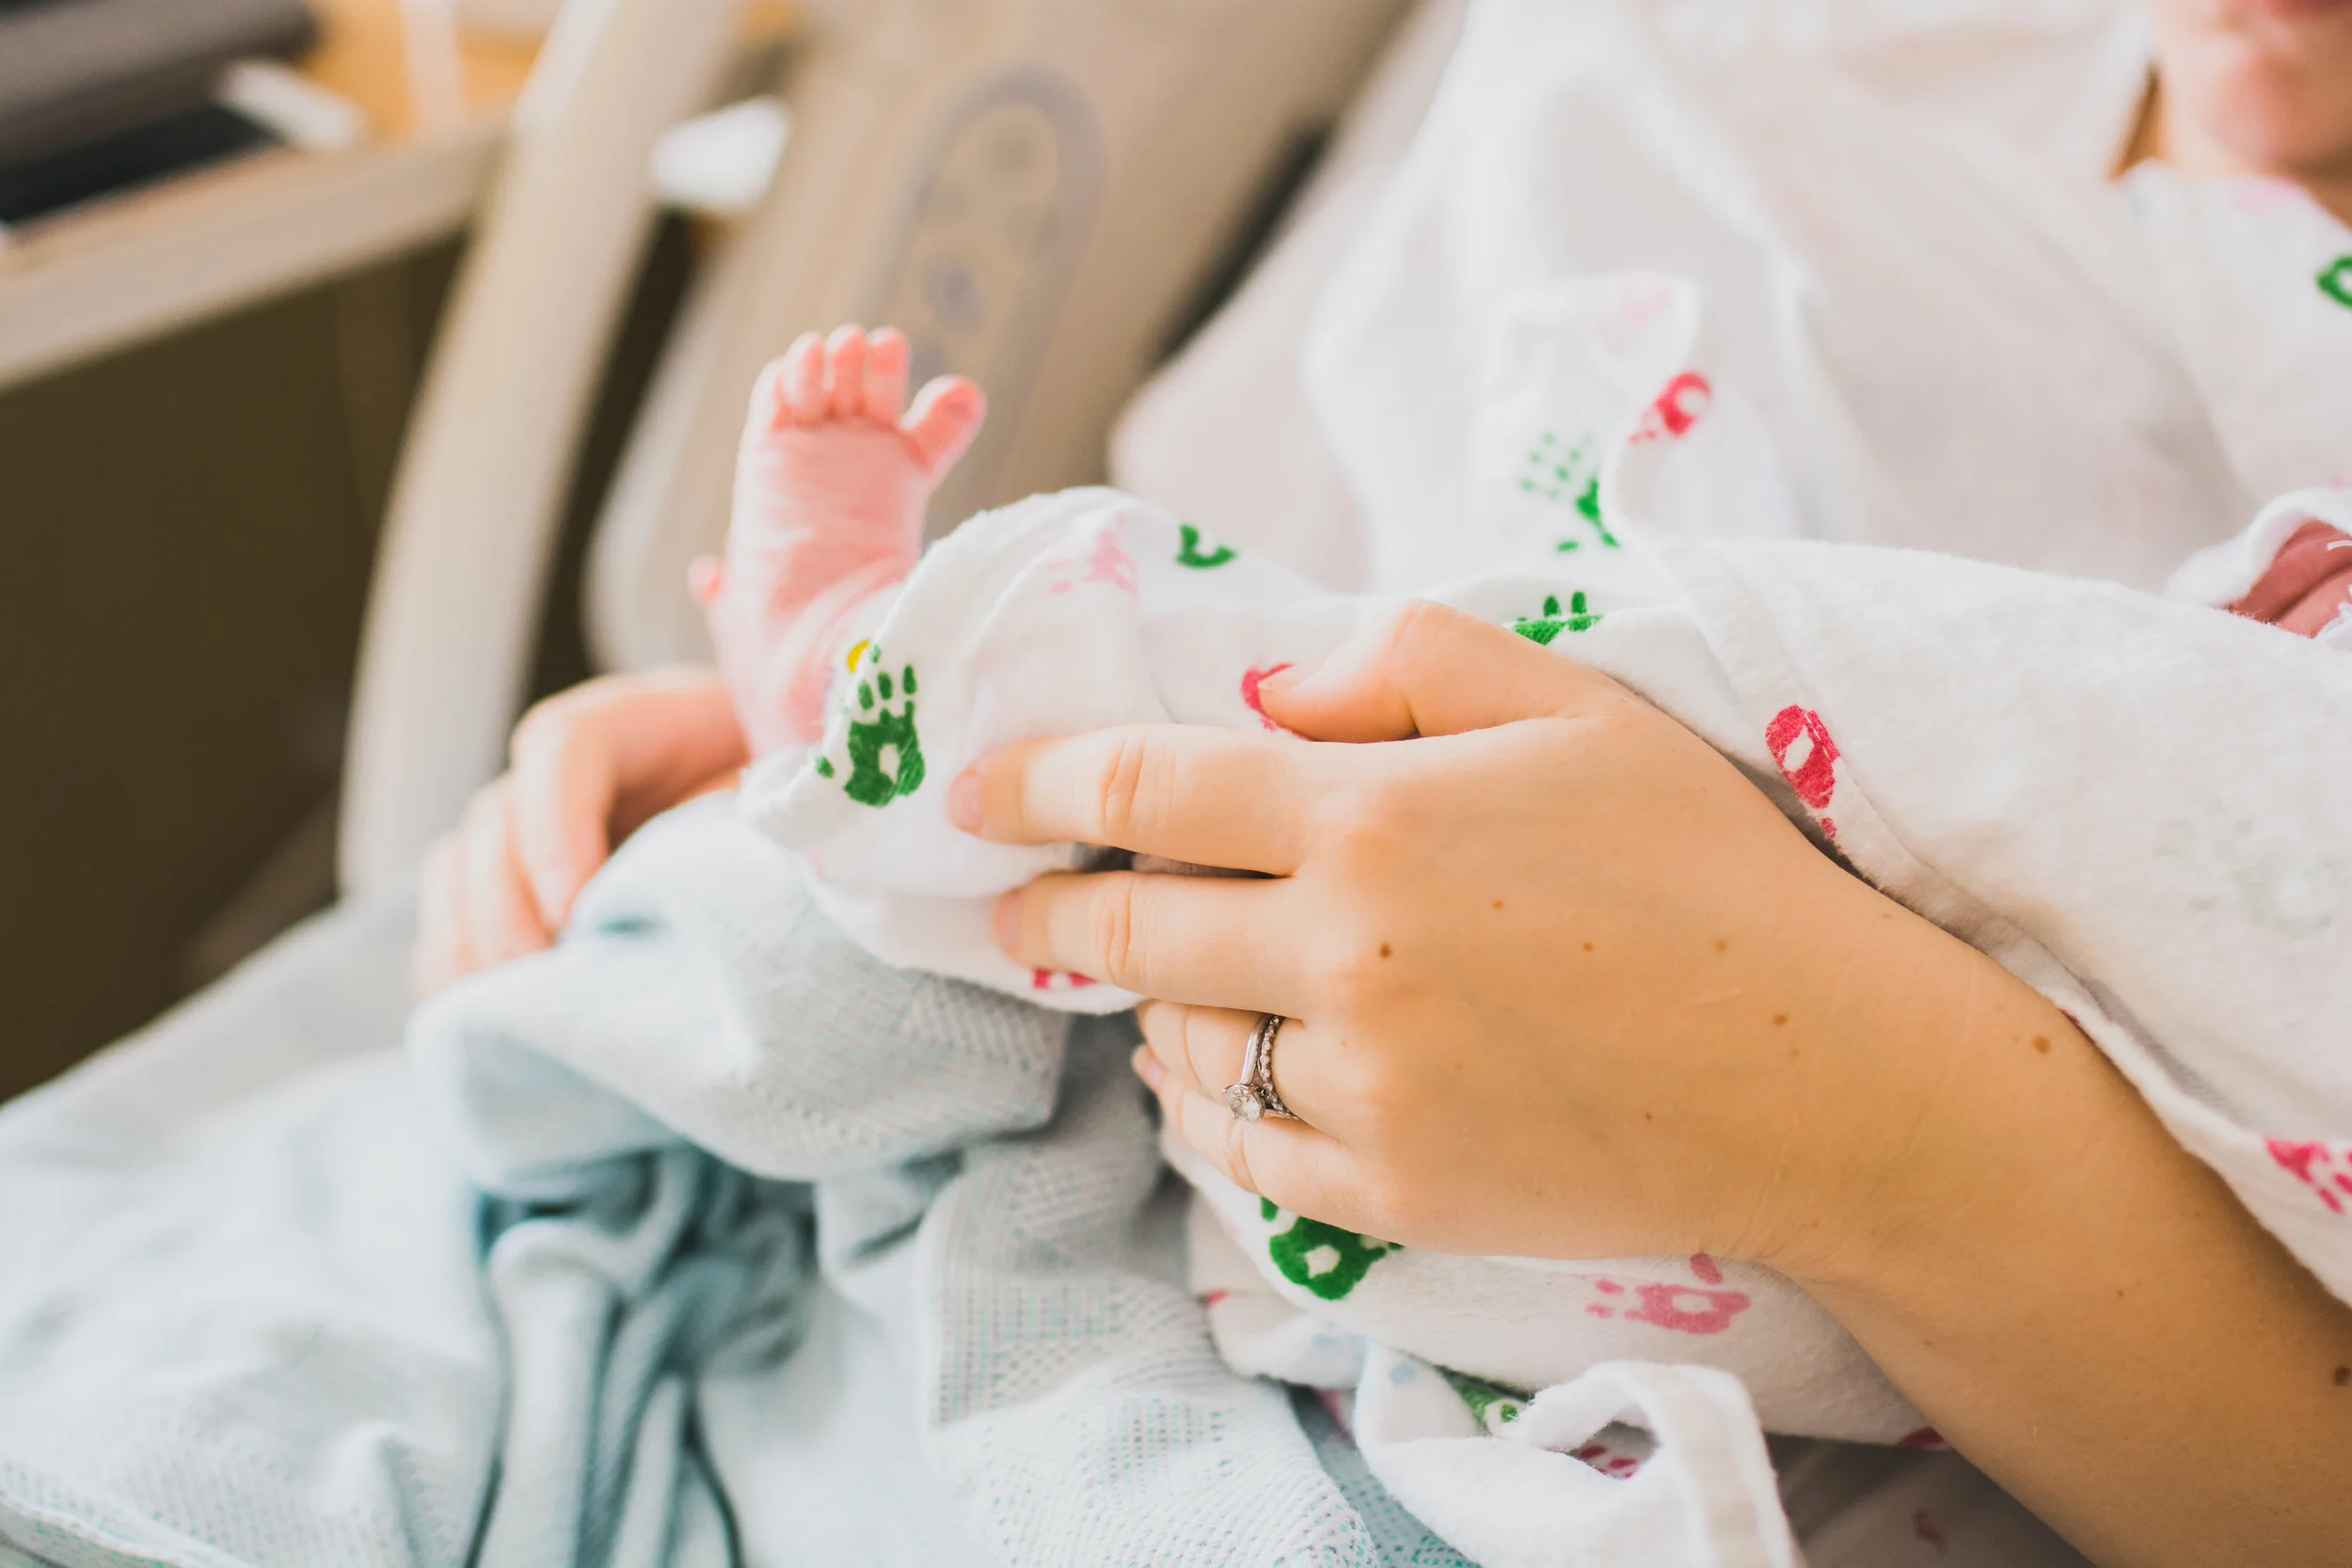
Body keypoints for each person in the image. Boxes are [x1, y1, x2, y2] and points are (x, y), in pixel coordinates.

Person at [413, 2, 2352, 1561]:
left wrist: (1855, 1109)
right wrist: (859, 736)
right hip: (1246, 934)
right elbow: (1291, 593)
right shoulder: (1703, 60)